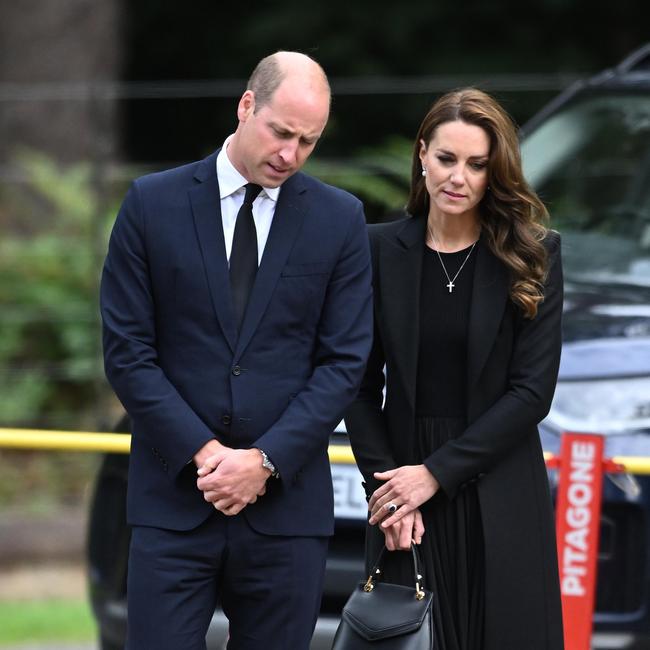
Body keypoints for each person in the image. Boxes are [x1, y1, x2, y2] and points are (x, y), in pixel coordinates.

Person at [100, 51, 373, 650]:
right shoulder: (151, 203)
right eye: (281, 132)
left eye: (308, 141)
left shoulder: (340, 219)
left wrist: (264, 461)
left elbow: (344, 364)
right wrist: (207, 456)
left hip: (286, 513)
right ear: (247, 106)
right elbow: (127, 352)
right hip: (173, 505)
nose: (290, 154)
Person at [344, 88, 564, 649]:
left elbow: (531, 392)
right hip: (403, 495)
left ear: (496, 172)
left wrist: (436, 473)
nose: (458, 178)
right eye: (446, 158)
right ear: (421, 154)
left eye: (477, 164)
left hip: (499, 485)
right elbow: (358, 385)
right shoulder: (374, 249)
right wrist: (389, 491)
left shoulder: (534, 253)